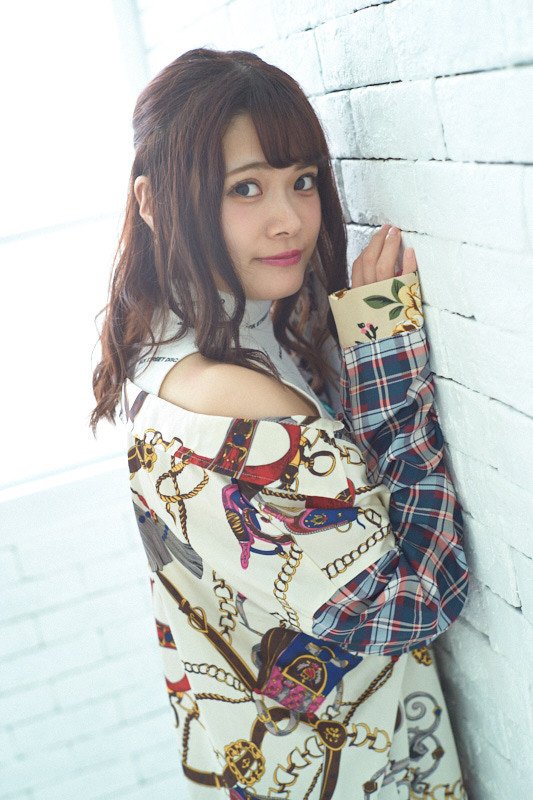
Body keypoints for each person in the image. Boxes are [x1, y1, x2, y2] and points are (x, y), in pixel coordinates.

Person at [91, 48, 469, 800]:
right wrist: (385, 357)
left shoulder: (160, 352)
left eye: (302, 180)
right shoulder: (232, 398)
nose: (289, 218)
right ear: (153, 202)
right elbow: (416, 601)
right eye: (245, 188)